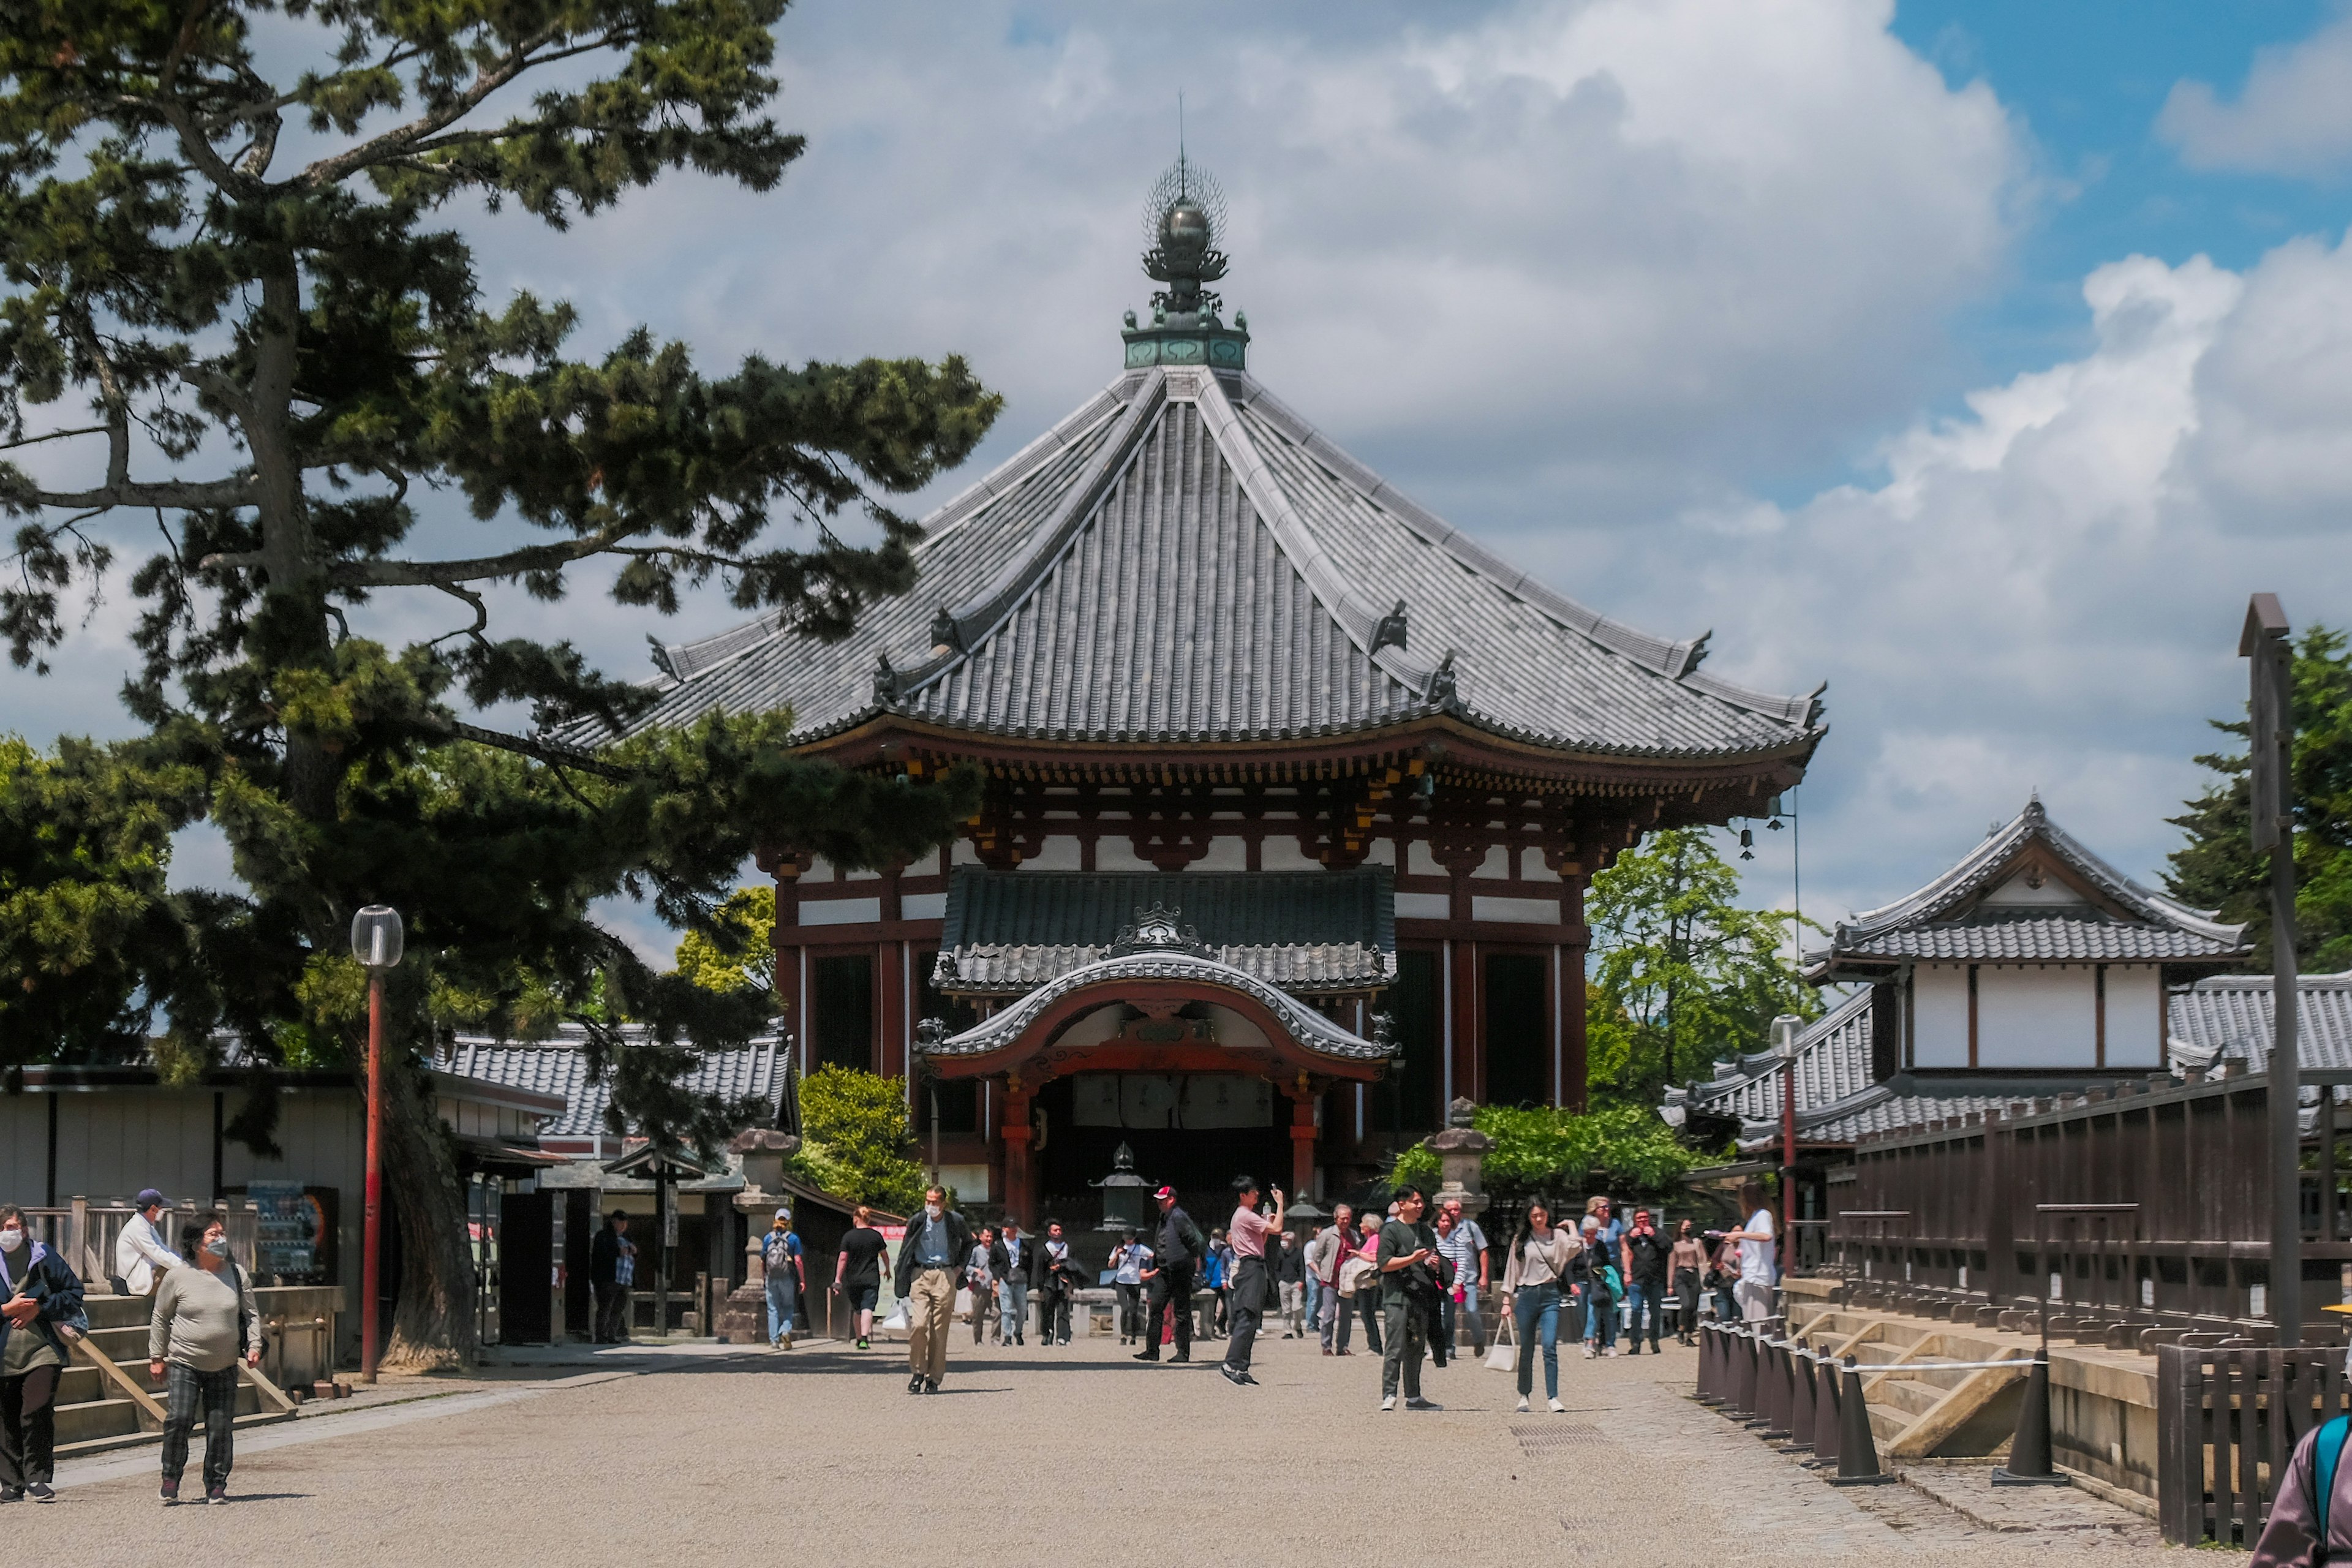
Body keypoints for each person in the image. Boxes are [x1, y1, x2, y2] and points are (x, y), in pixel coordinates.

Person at [149, 1216, 259, 1505]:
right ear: (197, 1243)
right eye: (214, 1234)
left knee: (220, 1425)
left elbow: (251, 1315)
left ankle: (216, 1484)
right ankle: (171, 1478)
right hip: (185, 1361)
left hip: (224, 1364)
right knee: (179, 1418)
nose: (221, 1239)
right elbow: (161, 1317)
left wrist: (254, 1345)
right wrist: (156, 1356)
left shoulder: (237, 1275)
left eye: (223, 1233)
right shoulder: (177, 1276)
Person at [1, 1204, 83, 1504]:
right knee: (6, 1417)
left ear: (25, 1229)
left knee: (35, 1411)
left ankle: (37, 1478)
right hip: (4, 1353)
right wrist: (5, 1310)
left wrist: (40, 1308)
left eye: (16, 1227)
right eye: (6, 1227)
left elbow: (74, 1292)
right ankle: (11, 1484)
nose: (12, 1233)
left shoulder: (43, 1255)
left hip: (43, 1349)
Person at [1502, 1200, 1581, 1414]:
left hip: (1550, 1294)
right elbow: (1513, 1268)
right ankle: (1524, 1395)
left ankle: (1553, 1397)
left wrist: (1572, 1225)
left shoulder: (1558, 1236)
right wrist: (1506, 1300)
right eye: (1534, 1215)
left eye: (1542, 1215)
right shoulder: (1522, 1239)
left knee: (1549, 1347)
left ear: (1548, 1215)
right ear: (1528, 1216)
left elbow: (1576, 1246)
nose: (1538, 1219)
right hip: (1527, 1295)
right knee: (1526, 1348)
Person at [894, 1185, 973, 1395]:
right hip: (920, 1274)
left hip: (945, 1274)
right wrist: (902, 1274)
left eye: (935, 1202)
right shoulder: (917, 1220)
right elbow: (906, 1249)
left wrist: (959, 1268)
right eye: (928, 1201)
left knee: (939, 1329)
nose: (931, 1206)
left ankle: (934, 1378)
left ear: (943, 1203)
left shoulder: (955, 1220)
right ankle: (918, 1371)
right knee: (919, 1325)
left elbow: (968, 1243)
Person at [1376, 1185, 1441, 1412]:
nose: (1421, 1205)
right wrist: (1412, 1258)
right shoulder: (1390, 1231)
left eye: (1422, 1201)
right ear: (1402, 1204)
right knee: (1395, 1347)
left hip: (1421, 1296)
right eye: (1416, 1201)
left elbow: (1432, 1261)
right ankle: (1389, 1394)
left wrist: (1434, 1264)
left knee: (1417, 1347)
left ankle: (1414, 1396)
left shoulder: (1426, 1231)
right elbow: (1384, 1264)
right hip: (1396, 1296)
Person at [1219, 1175, 1286, 1387]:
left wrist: (1266, 1225)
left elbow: (1263, 1238)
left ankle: (1241, 1366)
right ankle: (1231, 1364)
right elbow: (1277, 1230)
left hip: (1254, 1264)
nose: (1257, 1194)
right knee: (1247, 1315)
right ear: (1243, 1195)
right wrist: (1281, 1203)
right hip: (1251, 1266)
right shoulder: (1244, 1215)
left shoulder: (1245, 1216)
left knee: (1252, 1316)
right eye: (1253, 1192)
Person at [1134, 1185, 1203, 1365]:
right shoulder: (1164, 1217)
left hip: (1180, 1270)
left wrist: (1186, 1260)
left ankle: (1183, 1352)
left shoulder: (1179, 1217)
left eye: (1162, 1199)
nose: (1158, 1203)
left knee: (1181, 1311)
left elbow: (1192, 1241)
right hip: (1164, 1271)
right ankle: (1152, 1350)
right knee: (1156, 1308)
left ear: (1171, 1199)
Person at [1434, 1197, 1490, 1356]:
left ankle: (1479, 1339)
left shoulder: (1470, 1227)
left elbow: (1483, 1250)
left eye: (1456, 1209)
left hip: (1469, 1277)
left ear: (1461, 1211)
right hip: (1447, 1279)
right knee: (1447, 1313)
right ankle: (1449, 1348)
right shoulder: (1440, 1230)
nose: (1453, 1212)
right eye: (1450, 1210)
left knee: (1472, 1310)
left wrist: (1484, 1276)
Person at [1720, 1181, 1779, 1324]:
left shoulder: (1763, 1215)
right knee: (1752, 1324)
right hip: (1751, 1275)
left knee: (1759, 1325)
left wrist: (1740, 1236)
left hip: (1758, 1277)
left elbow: (1766, 1236)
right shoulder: (1755, 1217)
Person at [834, 1205, 888, 1350]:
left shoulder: (848, 1236)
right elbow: (884, 1254)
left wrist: (838, 1279)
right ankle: (864, 1338)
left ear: (857, 1218)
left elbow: (843, 1258)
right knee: (868, 1308)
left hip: (853, 1278)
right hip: (871, 1278)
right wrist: (887, 1270)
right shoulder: (875, 1236)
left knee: (857, 1309)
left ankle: (858, 1338)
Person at [1621, 1207, 1671, 1355]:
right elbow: (1623, 1251)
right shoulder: (1629, 1235)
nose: (1642, 1221)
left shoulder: (1658, 1233)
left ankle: (1654, 1341)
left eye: (1645, 1218)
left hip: (1655, 1279)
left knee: (1655, 1312)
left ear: (1649, 1218)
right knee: (1636, 1310)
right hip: (1636, 1279)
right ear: (1635, 1221)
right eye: (1639, 1219)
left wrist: (1654, 1235)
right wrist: (1631, 1237)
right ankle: (1635, 1343)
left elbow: (1669, 1247)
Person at [113, 1189, 181, 1297]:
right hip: (136, 1282)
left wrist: (184, 1263)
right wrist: (184, 1269)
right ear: (153, 1209)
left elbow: (164, 1250)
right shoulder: (137, 1227)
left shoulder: (147, 1226)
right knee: (173, 1272)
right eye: (161, 1208)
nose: (162, 1211)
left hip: (145, 1275)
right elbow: (158, 1254)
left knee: (175, 1268)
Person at [1309, 1208, 1354, 1355]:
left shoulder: (1353, 1235)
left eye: (1348, 1218)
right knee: (1329, 1314)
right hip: (1330, 1280)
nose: (1345, 1221)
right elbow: (1317, 1255)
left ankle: (1342, 1347)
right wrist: (1324, 1269)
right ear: (1336, 1219)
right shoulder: (1327, 1234)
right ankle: (1326, 1346)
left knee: (1346, 1316)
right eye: (1343, 1218)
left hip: (1347, 1281)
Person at [760, 1208, 802, 1349]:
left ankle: (774, 1340)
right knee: (788, 1307)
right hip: (787, 1277)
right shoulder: (793, 1238)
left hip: (771, 1277)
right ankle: (785, 1331)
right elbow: (798, 1261)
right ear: (788, 1222)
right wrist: (802, 1279)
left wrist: (764, 1277)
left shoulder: (768, 1238)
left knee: (773, 1309)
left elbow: (763, 1260)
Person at [589, 1211, 633, 1343]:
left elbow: (633, 1252)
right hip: (608, 1278)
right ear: (614, 1222)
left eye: (625, 1223)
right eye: (621, 1223)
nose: (624, 1226)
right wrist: (617, 1252)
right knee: (605, 1307)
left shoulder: (626, 1237)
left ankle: (612, 1335)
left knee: (618, 1308)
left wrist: (633, 1251)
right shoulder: (604, 1236)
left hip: (624, 1279)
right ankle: (601, 1336)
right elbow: (601, 1255)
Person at [1037, 1221, 1081, 1346]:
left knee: (1063, 1310)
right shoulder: (1045, 1249)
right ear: (1049, 1233)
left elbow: (1073, 1265)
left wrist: (1071, 1282)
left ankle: (1063, 1336)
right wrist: (1040, 1288)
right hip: (1049, 1282)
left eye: (1059, 1230)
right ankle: (1047, 1335)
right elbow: (1040, 1270)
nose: (1058, 1232)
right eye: (1055, 1230)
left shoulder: (1067, 1247)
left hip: (1063, 1281)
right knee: (1047, 1311)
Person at [1669, 1219, 1708, 1346]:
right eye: (1686, 1226)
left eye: (1690, 1226)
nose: (1688, 1228)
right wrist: (1670, 1284)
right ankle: (1681, 1328)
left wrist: (1706, 1277)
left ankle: (1689, 1335)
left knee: (1693, 1307)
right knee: (1686, 1304)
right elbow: (1671, 1265)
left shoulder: (1697, 1243)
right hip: (1680, 1274)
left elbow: (1703, 1260)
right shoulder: (1675, 1245)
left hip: (1694, 1274)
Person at [1352, 1213, 1385, 1355]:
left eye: (1363, 1223)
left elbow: (1374, 1258)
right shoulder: (1368, 1240)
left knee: (1367, 1314)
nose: (1360, 1225)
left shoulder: (1375, 1239)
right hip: (1365, 1282)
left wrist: (1358, 1254)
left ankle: (1375, 1346)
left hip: (1369, 1282)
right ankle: (1373, 1345)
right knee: (1366, 1314)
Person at [1109, 1227, 1150, 1344]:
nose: (1128, 1241)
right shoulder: (1119, 1248)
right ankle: (1123, 1335)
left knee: (1133, 1310)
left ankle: (1133, 1335)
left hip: (1135, 1281)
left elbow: (1151, 1255)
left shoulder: (1140, 1248)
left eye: (1130, 1238)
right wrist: (1117, 1254)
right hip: (1121, 1281)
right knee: (1125, 1308)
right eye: (1126, 1238)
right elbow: (1110, 1264)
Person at [992, 1221, 1030, 1346]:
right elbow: (992, 1263)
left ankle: (1018, 1331)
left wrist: (1027, 1276)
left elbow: (1030, 1262)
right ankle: (1007, 1335)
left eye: (1015, 1227)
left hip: (1020, 1278)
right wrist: (998, 1277)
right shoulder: (998, 1245)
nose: (1014, 1230)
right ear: (1005, 1229)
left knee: (1023, 1308)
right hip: (1005, 1279)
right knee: (1006, 1309)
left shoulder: (1024, 1244)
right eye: (1011, 1228)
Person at [967, 1226, 998, 1346]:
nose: (989, 1239)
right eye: (987, 1236)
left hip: (994, 1287)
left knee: (997, 1313)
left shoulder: (996, 1250)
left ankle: (995, 1338)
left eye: (991, 1236)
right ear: (981, 1237)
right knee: (978, 1316)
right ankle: (978, 1340)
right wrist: (976, 1271)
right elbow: (967, 1266)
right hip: (980, 1287)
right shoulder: (976, 1251)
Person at [1276, 1229, 1306, 1339]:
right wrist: (1279, 1280)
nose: (1283, 1242)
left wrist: (1302, 1281)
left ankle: (1298, 1327)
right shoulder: (1280, 1253)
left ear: (1291, 1241)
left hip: (1296, 1282)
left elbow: (1302, 1268)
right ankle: (1287, 1331)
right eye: (1282, 1240)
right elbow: (1277, 1268)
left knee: (1297, 1307)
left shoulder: (1298, 1252)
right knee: (1286, 1309)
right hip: (1284, 1282)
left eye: (1286, 1240)